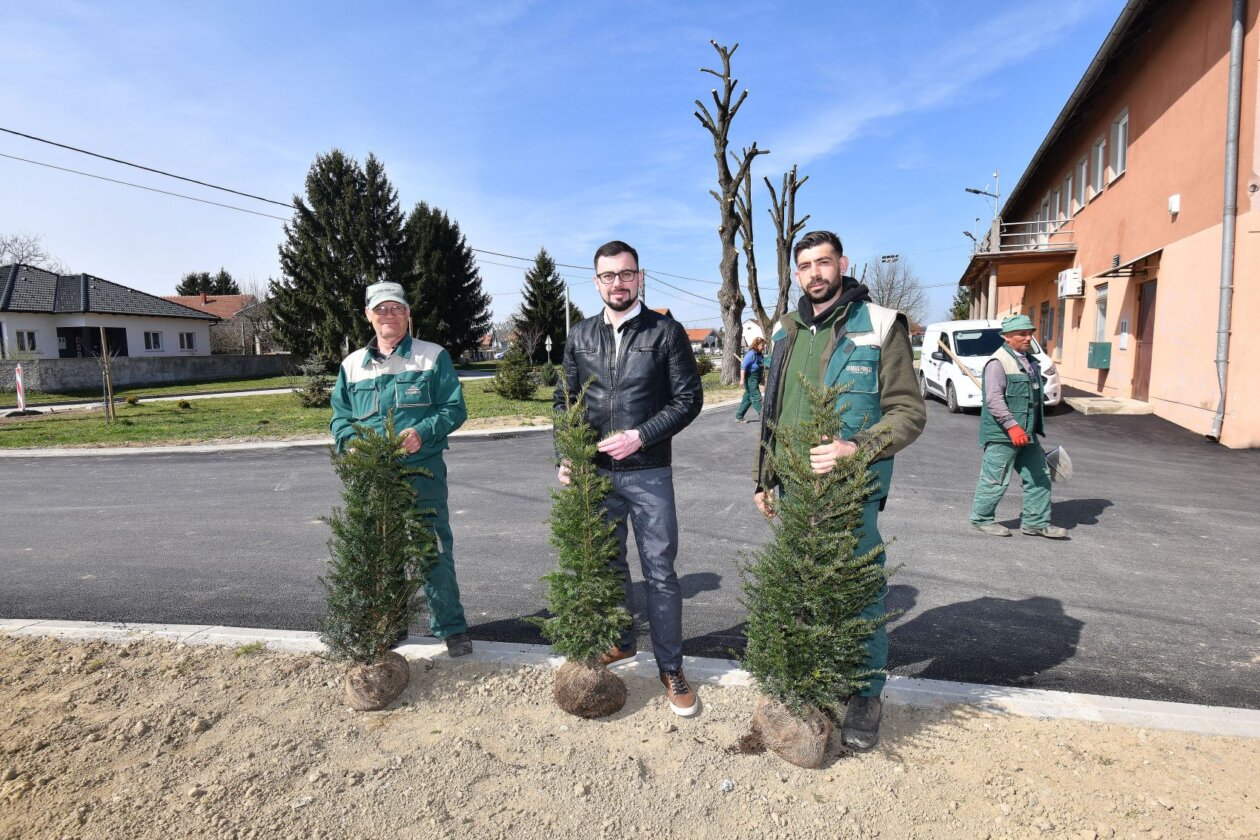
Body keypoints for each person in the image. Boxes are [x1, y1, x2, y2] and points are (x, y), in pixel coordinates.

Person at [753, 230, 926, 751]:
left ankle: (866, 694)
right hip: (795, 493)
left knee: (859, 595)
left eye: (823, 262)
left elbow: (909, 413)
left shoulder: (879, 325)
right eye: (804, 265)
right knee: (802, 593)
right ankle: (807, 687)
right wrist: (764, 477)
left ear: (842, 264)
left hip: (852, 493)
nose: (814, 273)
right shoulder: (785, 331)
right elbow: (773, 408)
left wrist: (858, 447)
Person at [554, 240, 704, 717]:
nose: (617, 282)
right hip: (596, 477)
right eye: (608, 276)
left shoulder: (665, 332)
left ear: (640, 277)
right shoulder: (579, 335)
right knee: (609, 566)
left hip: (649, 473)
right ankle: (621, 643)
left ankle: (671, 667)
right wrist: (568, 453)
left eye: (626, 274)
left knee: (660, 573)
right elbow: (565, 403)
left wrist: (641, 435)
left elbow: (688, 399)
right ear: (596, 281)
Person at [330, 281, 474, 657]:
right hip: (373, 477)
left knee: (433, 549)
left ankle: (452, 628)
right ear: (368, 316)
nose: (388, 316)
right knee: (381, 550)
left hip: (422, 473)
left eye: (396, 309)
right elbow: (339, 420)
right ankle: (390, 624)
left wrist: (423, 432)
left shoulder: (432, 357)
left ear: (408, 314)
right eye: (380, 310)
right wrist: (352, 441)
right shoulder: (351, 367)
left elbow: (454, 409)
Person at [969, 314, 1068, 539]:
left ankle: (1035, 523)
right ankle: (981, 519)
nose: (1028, 337)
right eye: (1022, 334)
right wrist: (1012, 426)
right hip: (1004, 434)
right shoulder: (997, 363)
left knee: (1039, 476)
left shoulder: (1030, 361)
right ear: (1007, 337)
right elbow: (994, 400)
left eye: (1030, 333)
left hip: (1027, 433)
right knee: (995, 479)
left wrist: (1025, 429)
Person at [735, 336, 766, 423]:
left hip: (756, 378)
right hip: (750, 379)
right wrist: (742, 379)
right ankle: (763, 415)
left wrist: (762, 378)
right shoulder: (751, 354)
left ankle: (739, 416)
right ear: (757, 345)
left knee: (748, 399)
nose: (764, 347)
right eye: (762, 345)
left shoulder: (760, 354)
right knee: (756, 396)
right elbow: (743, 367)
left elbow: (761, 367)